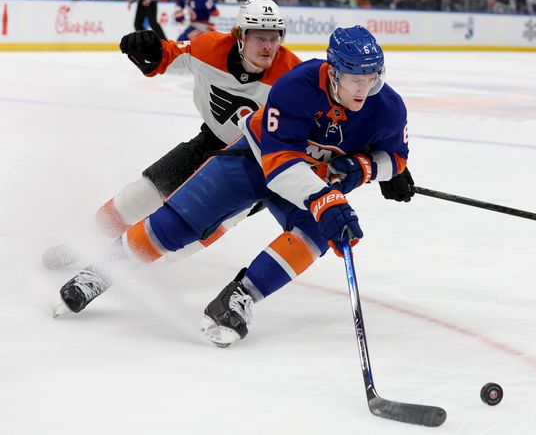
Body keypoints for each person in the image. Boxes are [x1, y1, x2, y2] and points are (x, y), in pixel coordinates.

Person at [54, 26, 412, 349]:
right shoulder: (297, 85)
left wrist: (365, 167)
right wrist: (325, 198)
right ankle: (100, 271)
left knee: (319, 232)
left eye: (372, 78)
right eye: (355, 80)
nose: (365, 89)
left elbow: (396, 158)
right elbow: (280, 164)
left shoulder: (389, 108)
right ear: (334, 72)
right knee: (180, 223)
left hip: (309, 177)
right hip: (256, 161)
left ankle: (239, 298)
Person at [43, 0, 301, 270]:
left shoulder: (293, 74)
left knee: (188, 236)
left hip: (254, 166)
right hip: (209, 143)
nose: (268, 46)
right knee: (138, 196)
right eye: (260, 36)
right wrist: (150, 49)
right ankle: (82, 241)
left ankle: (118, 266)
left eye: (275, 37)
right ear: (240, 35)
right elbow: (164, 57)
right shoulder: (208, 48)